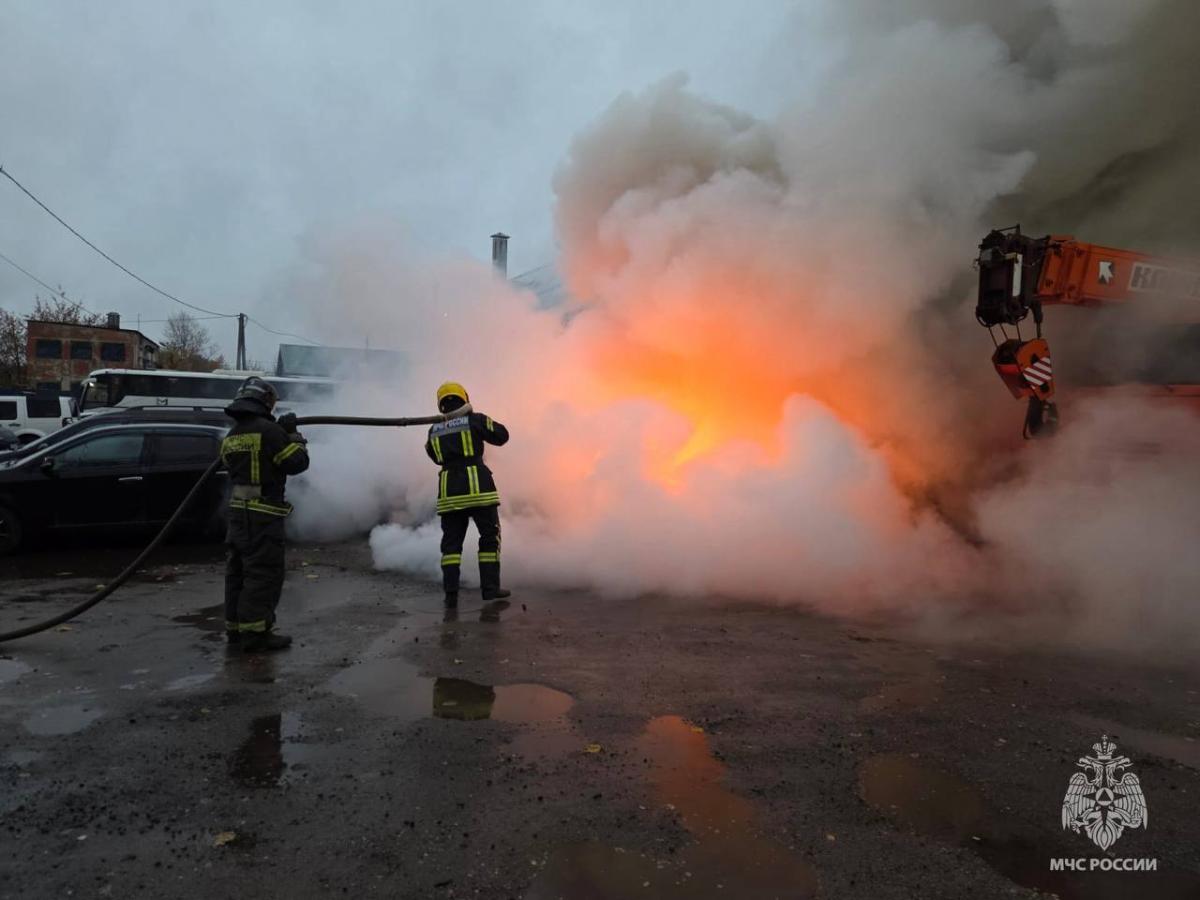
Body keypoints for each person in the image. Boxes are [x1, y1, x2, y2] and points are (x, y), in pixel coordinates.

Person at [221, 376, 310, 652]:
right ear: (265, 401)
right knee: (263, 574)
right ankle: (256, 635)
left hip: (237, 516)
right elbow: (296, 463)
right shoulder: (269, 432)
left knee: (238, 572)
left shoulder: (233, 434)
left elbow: (231, 463)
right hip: (262, 517)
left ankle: (235, 629)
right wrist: (293, 435)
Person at [426, 382, 510, 614]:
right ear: (464, 398)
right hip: (479, 491)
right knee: (489, 538)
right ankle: (490, 589)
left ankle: (451, 595)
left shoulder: (434, 429)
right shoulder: (476, 420)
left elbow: (433, 455)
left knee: (451, 546)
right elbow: (502, 435)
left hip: (449, 494)